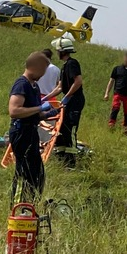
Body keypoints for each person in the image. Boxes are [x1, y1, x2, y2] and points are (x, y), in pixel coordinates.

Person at [9, 52, 57, 203]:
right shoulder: (21, 84)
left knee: (37, 173)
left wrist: (48, 114)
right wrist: (39, 108)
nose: (43, 75)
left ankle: (31, 204)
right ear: (35, 67)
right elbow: (14, 111)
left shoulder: (34, 86)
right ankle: (17, 206)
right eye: (42, 71)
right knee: (23, 172)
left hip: (31, 131)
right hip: (21, 132)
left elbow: (34, 114)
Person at [46, 37, 84, 169]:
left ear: (62, 51)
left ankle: (71, 162)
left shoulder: (72, 64)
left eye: (58, 50)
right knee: (62, 129)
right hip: (68, 101)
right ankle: (62, 159)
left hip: (75, 101)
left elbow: (78, 81)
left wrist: (67, 97)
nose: (57, 53)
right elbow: (60, 87)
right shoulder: (64, 66)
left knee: (70, 129)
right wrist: (46, 98)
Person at [105, 52, 127, 134]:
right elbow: (111, 81)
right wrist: (107, 93)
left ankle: (126, 128)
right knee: (115, 108)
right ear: (124, 59)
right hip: (118, 93)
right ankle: (111, 125)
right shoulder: (117, 69)